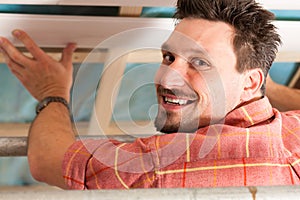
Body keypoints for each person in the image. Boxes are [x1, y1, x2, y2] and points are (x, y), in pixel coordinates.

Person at [0, 0, 300, 189]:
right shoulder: (294, 132)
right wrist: (254, 88)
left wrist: (51, 91)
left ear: (250, 82)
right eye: (168, 57)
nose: (167, 77)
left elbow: (49, 160)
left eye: (200, 62)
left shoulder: (165, 166)